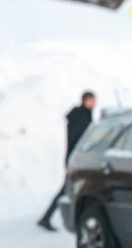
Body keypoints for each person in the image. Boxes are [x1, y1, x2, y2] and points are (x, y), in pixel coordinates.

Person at [38, 90, 96, 231]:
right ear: (85, 101)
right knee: (67, 189)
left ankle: (49, 217)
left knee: (70, 189)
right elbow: (81, 139)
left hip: (75, 158)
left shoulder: (82, 116)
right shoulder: (81, 118)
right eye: (92, 100)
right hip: (77, 159)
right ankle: (47, 217)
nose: (94, 103)